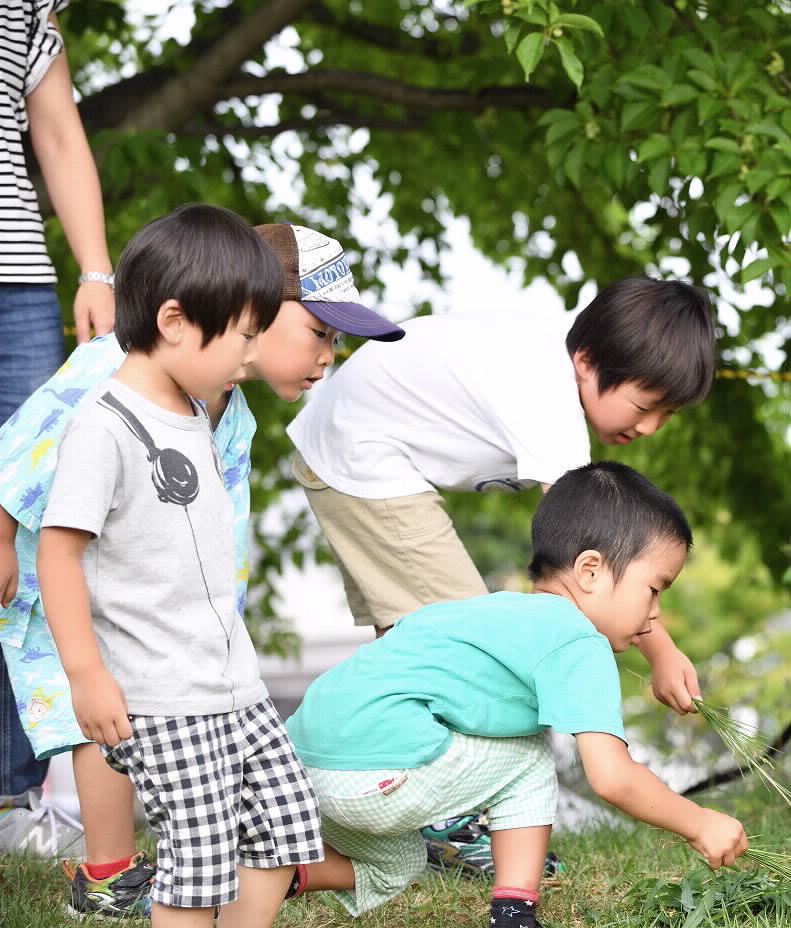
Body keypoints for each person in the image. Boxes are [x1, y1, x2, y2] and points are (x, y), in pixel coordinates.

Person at [0, 215, 404, 918]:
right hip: (68, 580)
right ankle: (109, 870)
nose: (326, 357)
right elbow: (24, 446)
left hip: (192, 643)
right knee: (91, 719)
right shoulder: (109, 382)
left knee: (273, 817)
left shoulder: (229, 413)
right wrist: (3, 536)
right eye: (318, 332)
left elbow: (217, 534)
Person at [287, 276, 717, 865]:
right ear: (588, 361)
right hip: (359, 452)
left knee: (416, 638)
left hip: (348, 447)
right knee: (479, 643)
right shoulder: (549, 393)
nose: (649, 427)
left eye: (666, 414)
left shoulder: (568, 353)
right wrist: (660, 650)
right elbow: (601, 557)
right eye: (645, 406)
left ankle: (395, 798)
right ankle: (458, 821)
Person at [282, 461, 748, 928]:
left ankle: (279, 873)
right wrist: (699, 822)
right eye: (653, 590)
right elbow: (613, 778)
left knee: (400, 865)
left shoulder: (494, 611)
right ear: (590, 571)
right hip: (371, 772)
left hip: (304, 765)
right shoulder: (577, 639)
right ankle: (514, 916)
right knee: (530, 760)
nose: (655, 614)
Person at [0, 0, 116, 848]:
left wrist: (97, 268)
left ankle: (11, 797)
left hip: (18, 286)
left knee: (23, 532)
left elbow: (60, 133)